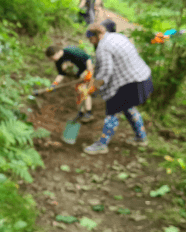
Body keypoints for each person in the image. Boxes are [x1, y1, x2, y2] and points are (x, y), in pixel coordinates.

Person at [83, 23, 154, 155]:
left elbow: (105, 72)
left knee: (112, 111)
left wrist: (94, 87)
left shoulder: (103, 48)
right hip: (143, 77)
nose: (89, 41)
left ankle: (102, 144)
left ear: (95, 36)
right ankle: (141, 138)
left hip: (130, 83)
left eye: (90, 38)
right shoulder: (117, 37)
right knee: (128, 107)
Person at [45, 45, 95, 123]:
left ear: (57, 53)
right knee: (79, 92)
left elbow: (88, 58)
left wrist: (89, 72)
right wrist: (54, 84)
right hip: (79, 74)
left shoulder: (72, 52)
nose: (51, 60)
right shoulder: (58, 61)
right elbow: (61, 74)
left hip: (88, 69)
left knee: (84, 91)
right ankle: (82, 113)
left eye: (52, 58)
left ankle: (89, 113)